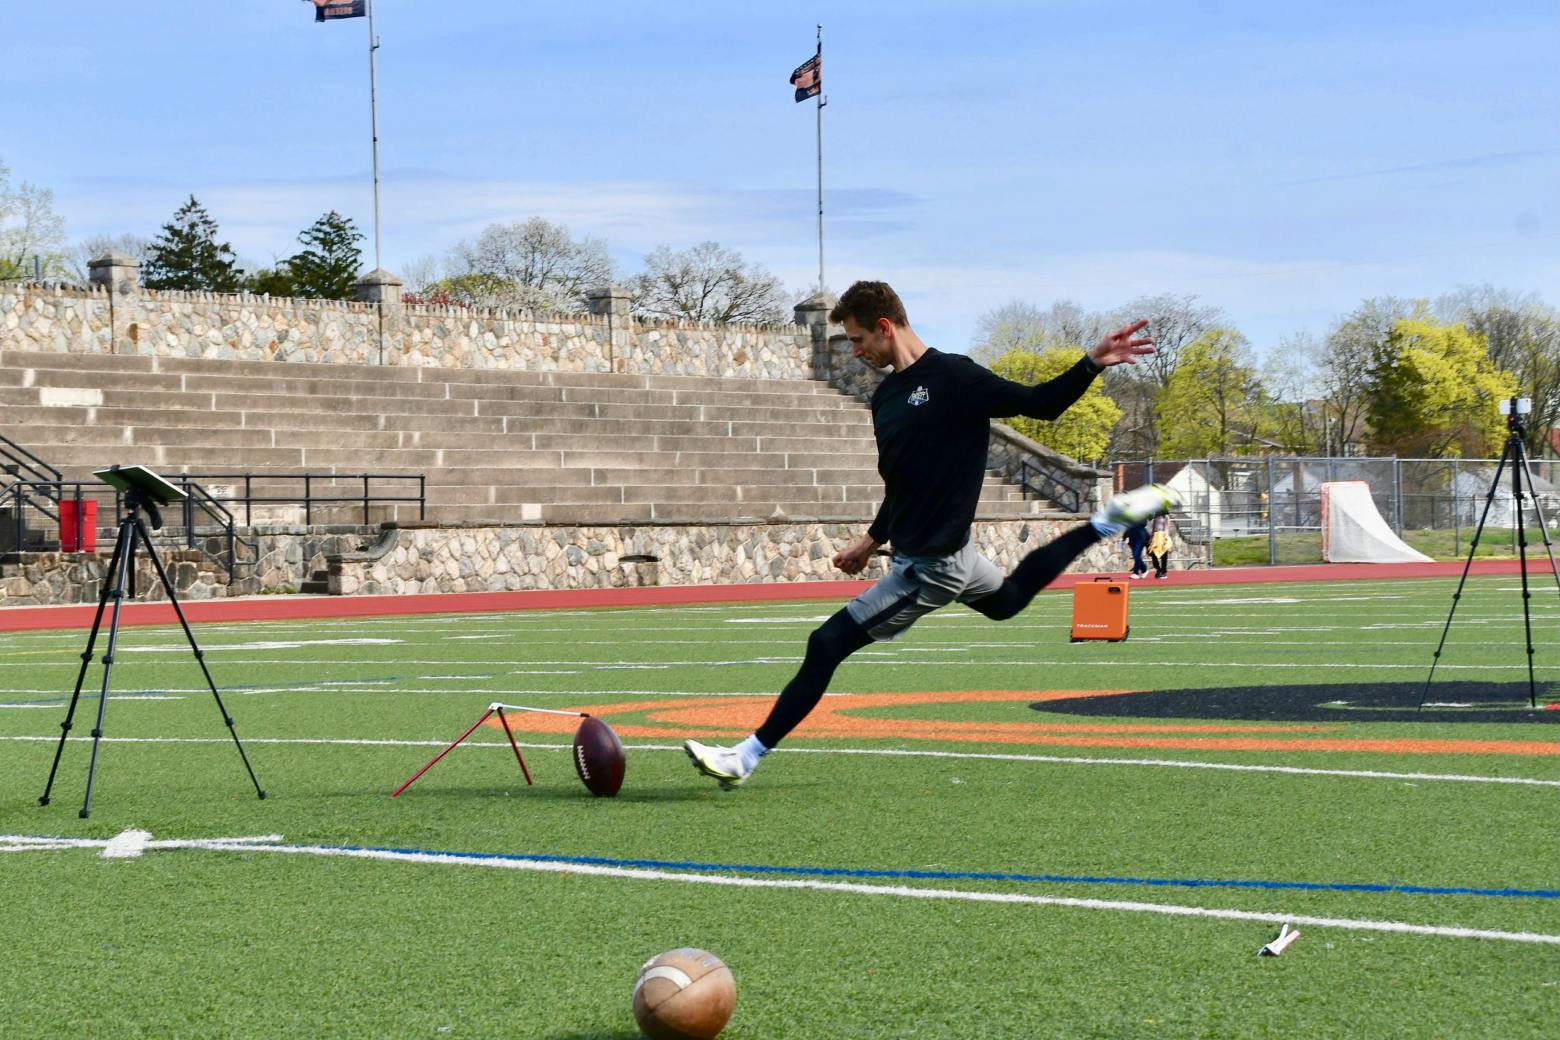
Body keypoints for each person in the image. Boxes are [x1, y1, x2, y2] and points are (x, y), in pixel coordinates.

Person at [684, 280, 1179, 789]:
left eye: (857, 340)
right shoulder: (886, 397)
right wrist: (871, 541)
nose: (855, 352)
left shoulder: (954, 377)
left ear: (884, 327)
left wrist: (1091, 363)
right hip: (952, 554)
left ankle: (744, 756)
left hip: (932, 566)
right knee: (1007, 600)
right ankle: (1105, 523)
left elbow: (1042, 404)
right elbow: (901, 483)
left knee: (825, 643)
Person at [1147, 513, 1173, 579]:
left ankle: (1163, 571)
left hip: (1162, 536)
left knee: (1164, 555)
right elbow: (1153, 529)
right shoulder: (1155, 517)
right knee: (1153, 554)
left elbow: (1167, 527)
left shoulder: (1166, 517)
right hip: (1156, 536)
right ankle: (1158, 569)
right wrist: (1151, 538)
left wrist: (1166, 537)